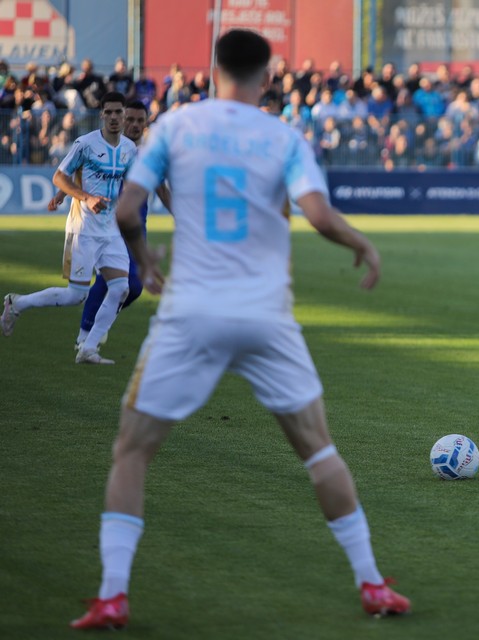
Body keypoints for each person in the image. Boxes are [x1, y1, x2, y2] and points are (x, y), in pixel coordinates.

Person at [68, 30, 410, 631]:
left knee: (133, 450)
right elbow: (319, 215)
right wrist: (362, 244)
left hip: (191, 312)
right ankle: (373, 583)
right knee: (319, 449)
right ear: (268, 77)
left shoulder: (175, 126)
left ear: (212, 71)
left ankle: (113, 595)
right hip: (265, 315)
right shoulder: (283, 137)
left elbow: (126, 210)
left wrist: (144, 258)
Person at [1, 92, 137, 365]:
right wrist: (84, 197)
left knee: (121, 288)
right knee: (76, 295)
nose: (113, 117)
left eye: (118, 112)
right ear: (101, 114)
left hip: (110, 230)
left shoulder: (129, 148)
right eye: (109, 112)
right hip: (83, 229)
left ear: (124, 115)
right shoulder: (85, 144)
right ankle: (18, 303)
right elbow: (59, 176)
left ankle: (88, 348)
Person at [47, 100, 172, 352]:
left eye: (140, 120)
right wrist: (63, 193)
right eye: (130, 119)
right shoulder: (108, 147)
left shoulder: (144, 154)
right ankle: (85, 335)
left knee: (131, 286)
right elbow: (81, 171)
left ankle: (96, 325)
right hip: (105, 223)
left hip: (136, 225)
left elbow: (161, 187)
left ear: (146, 123)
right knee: (114, 283)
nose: (134, 125)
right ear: (123, 119)